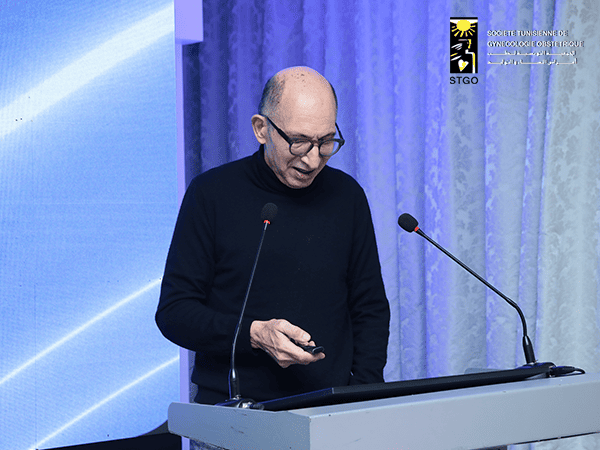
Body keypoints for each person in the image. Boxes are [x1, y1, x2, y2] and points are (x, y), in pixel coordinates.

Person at [156, 66, 390, 406]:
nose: (312, 159)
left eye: (326, 142)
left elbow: (370, 308)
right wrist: (254, 334)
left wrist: (363, 395)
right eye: (298, 142)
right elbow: (174, 312)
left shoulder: (347, 196)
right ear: (261, 129)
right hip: (233, 413)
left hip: (330, 410)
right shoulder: (211, 193)